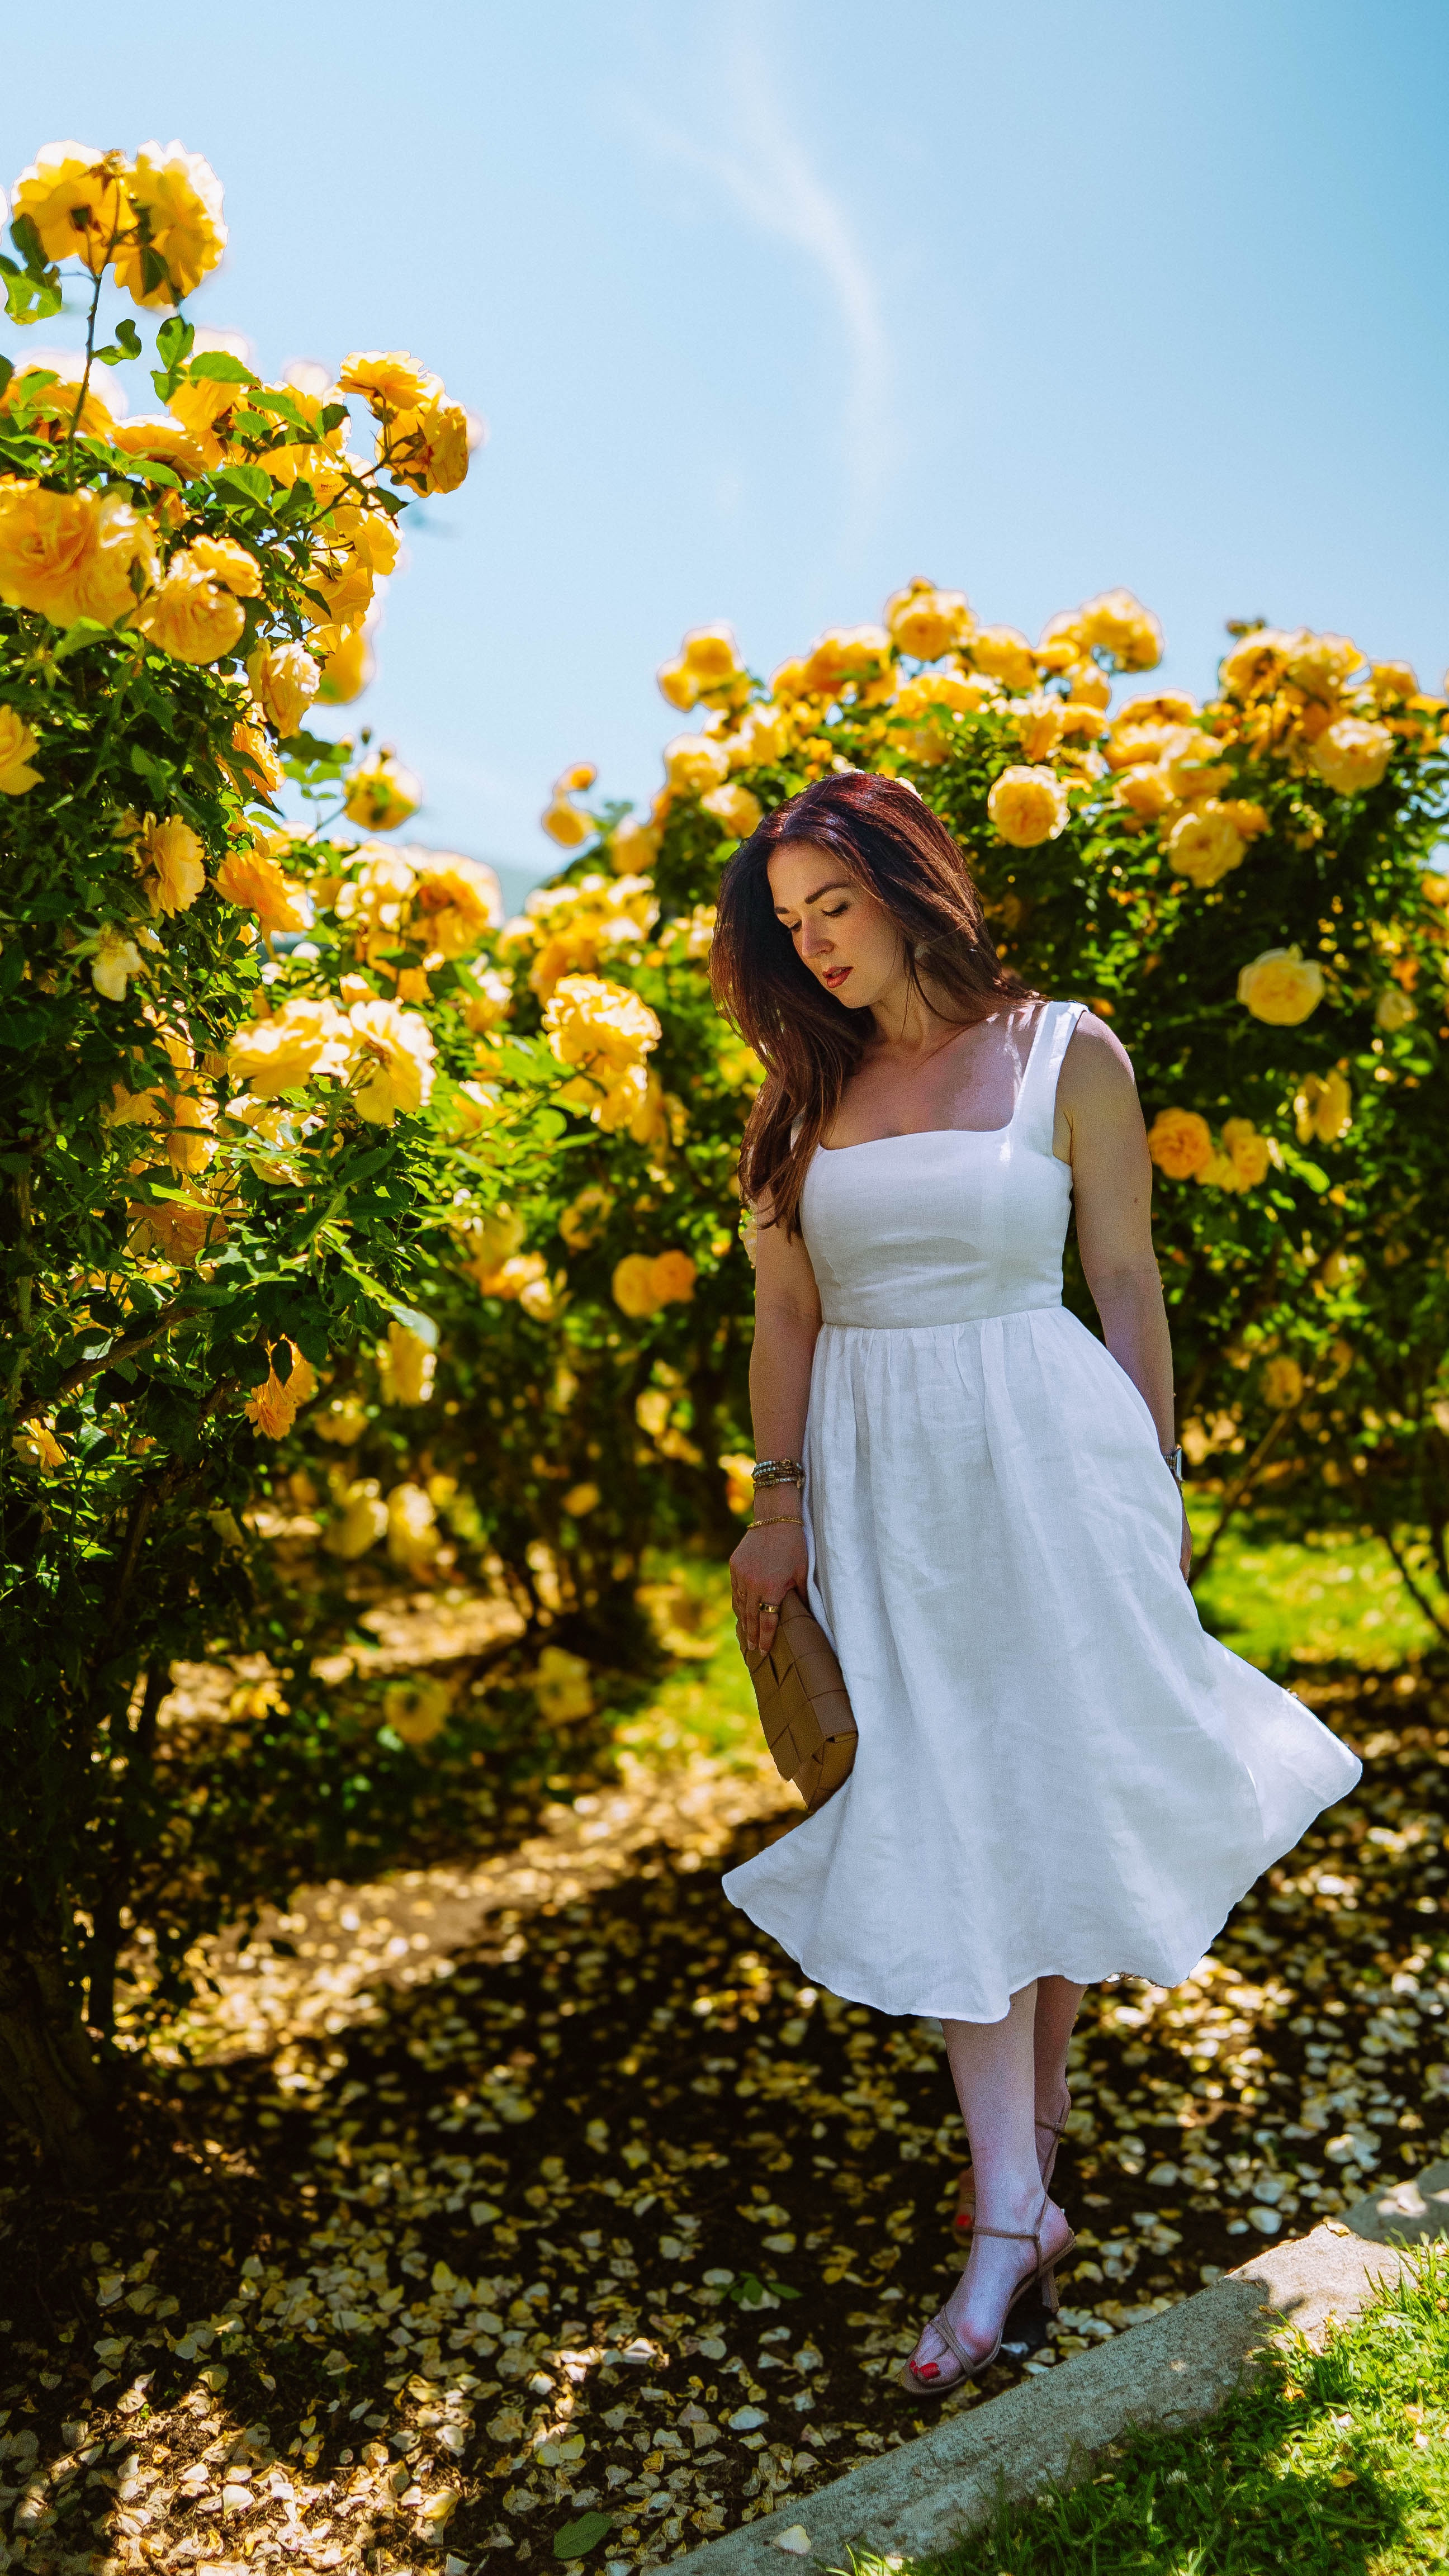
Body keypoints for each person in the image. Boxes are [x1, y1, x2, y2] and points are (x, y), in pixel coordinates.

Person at [708, 770, 1361, 2394]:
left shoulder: (1071, 1051)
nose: (816, 947)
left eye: (833, 907)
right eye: (789, 927)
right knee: (950, 1803)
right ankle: (1014, 2207)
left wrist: (1155, 1481)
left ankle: (1020, 2187)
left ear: (910, 880)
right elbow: (785, 1321)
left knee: (1042, 1788)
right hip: (877, 1477)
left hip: (1053, 1458)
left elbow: (1125, 1282)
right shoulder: (802, 1092)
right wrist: (777, 1508)